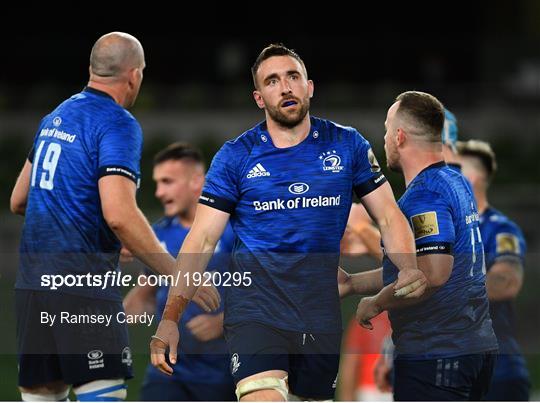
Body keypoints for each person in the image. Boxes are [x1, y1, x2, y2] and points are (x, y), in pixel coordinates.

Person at [149, 43, 426, 402]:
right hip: (255, 313)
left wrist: (406, 267)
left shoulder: (347, 145)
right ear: (259, 97)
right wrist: (171, 317)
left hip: (319, 317)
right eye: (272, 81)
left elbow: (388, 214)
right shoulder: (236, 156)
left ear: (309, 87)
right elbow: (200, 240)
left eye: (293, 76)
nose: (285, 87)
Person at [9, 32, 218, 402]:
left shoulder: (55, 116)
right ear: (134, 75)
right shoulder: (117, 122)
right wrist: (178, 274)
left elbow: (20, 198)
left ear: (92, 70)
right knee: (102, 391)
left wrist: (94, 226)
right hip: (82, 285)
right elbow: (120, 213)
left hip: (32, 288)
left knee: (43, 394)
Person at [350, 91, 499, 401]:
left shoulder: (423, 195)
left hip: (437, 354)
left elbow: (432, 274)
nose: (386, 137)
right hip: (473, 347)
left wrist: (376, 303)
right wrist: (352, 283)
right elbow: (417, 267)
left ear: (401, 136)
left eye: (388, 128)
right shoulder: (455, 182)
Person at [123, 143, 237, 401]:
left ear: (197, 182)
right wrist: (126, 309)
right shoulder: (158, 233)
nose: (160, 192)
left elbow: (264, 288)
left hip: (223, 372)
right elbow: (147, 290)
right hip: (169, 368)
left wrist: (223, 322)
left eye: (168, 182)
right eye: (157, 183)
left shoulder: (233, 230)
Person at [458, 139, 530, 400]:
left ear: (473, 178)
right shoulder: (446, 229)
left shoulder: (500, 229)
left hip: (497, 375)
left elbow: (507, 281)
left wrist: (443, 285)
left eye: (456, 169)